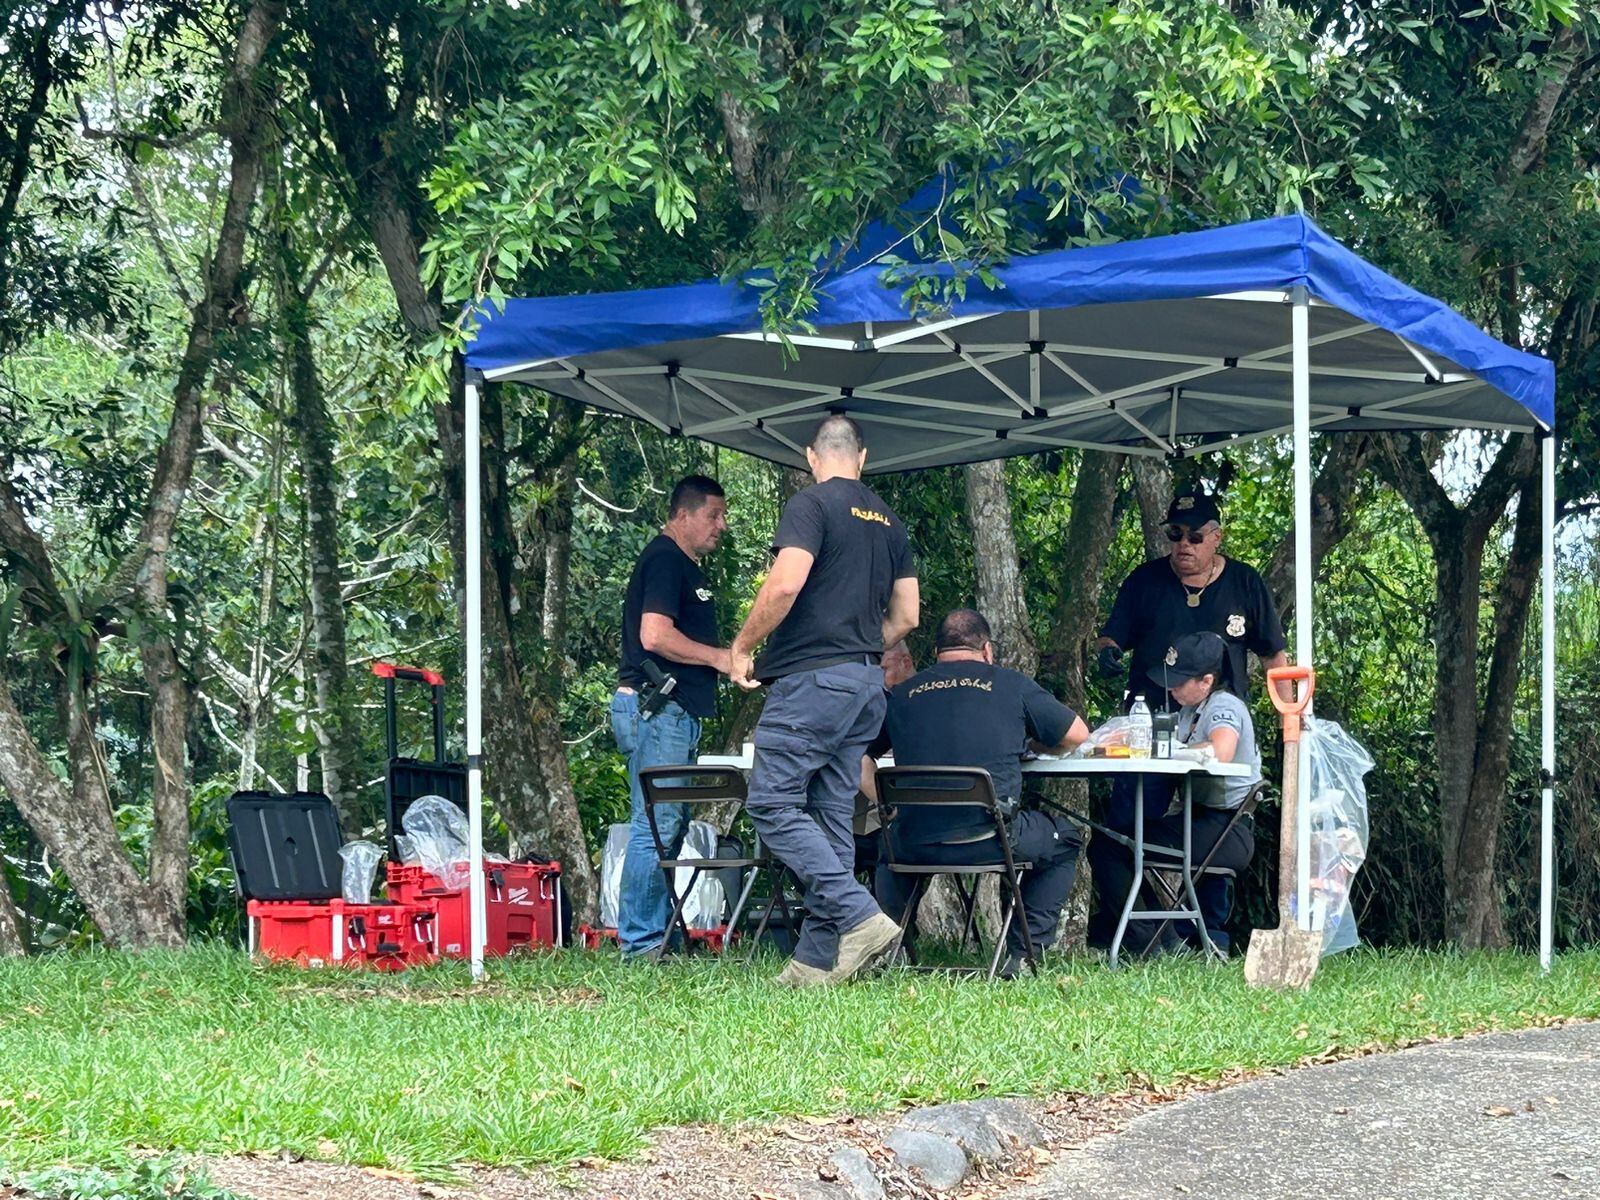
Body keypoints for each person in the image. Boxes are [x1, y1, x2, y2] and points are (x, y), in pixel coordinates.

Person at [730, 415, 919, 988]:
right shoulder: (889, 520)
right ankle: (815, 961)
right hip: (864, 685)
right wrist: (857, 648)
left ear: (812, 456)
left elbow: (786, 583)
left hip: (812, 685)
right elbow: (907, 616)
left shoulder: (811, 505)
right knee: (831, 813)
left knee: (771, 805)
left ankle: (861, 917)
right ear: (863, 456)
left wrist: (742, 645)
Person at [871, 609, 1090, 977]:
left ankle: (887, 948)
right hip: (990, 838)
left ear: (937, 652)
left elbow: (861, 754)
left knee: (887, 847)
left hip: (914, 841)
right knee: (1065, 837)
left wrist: (884, 805)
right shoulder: (1011, 685)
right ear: (986, 650)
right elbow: (1077, 735)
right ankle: (1023, 954)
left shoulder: (903, 694)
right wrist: (1035, 742)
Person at [611, 475, 731, 959]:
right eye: (713, 515)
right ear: (682, 515)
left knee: (671, 824)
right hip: (657, 708)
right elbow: (655, 636)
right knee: (655, 825)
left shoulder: (686, 566)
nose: (721, 526)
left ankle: (657, 933)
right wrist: (720, 658)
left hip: (675, 713)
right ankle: (640, 944)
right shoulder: (664, 558)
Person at [1086, 631, 1261, 954]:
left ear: (1207, 680)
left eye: (1181, 682)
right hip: (1202, 822)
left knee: (1111, 847)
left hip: (1226, 829)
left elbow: (1221, 750)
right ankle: (1162, 937)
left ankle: (1147, 942)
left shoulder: (1224, 706)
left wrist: (1179, 750)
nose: (1172, 688)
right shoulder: (1187, 712)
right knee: (1115, 841)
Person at [1096, 491, 1288, 707]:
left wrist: (1288, 724)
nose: (1184, 543)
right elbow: (1111, 636)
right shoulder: (1144, 580)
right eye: (1175, 533)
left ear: (1217, 537)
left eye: (1195, 536)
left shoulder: (1244, 581)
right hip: (1153, 716)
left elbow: (1273, 655)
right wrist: (1107, 652)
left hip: (1222, 721)